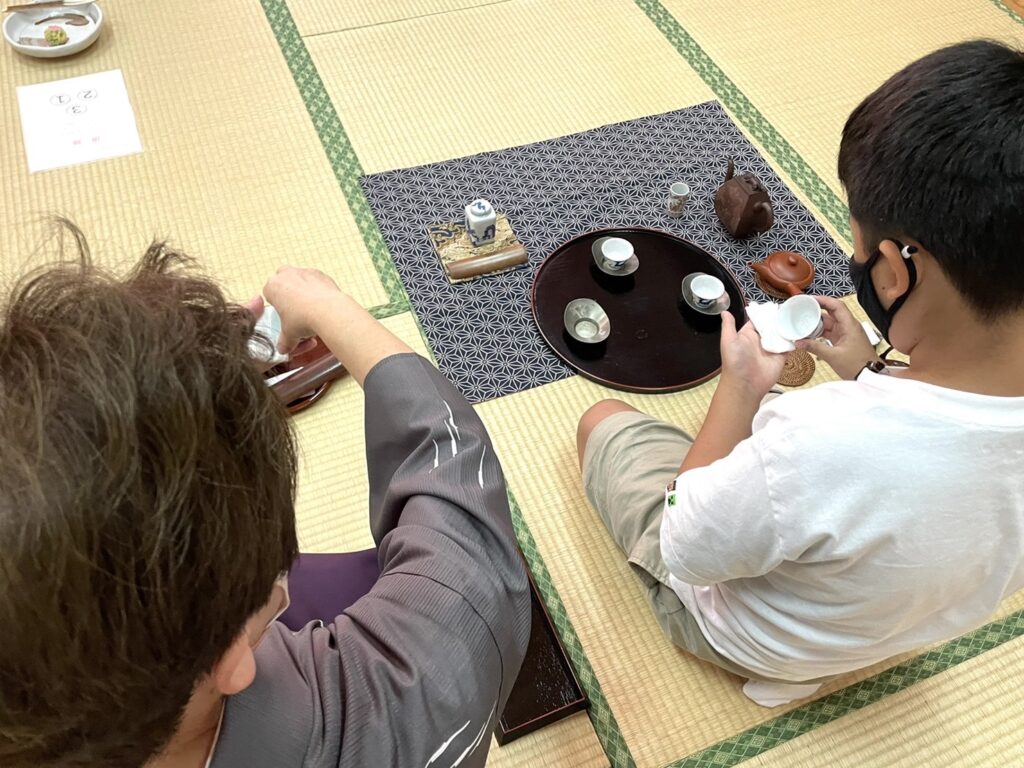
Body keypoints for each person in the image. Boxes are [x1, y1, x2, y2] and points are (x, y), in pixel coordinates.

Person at [576, 39, 1024, 703]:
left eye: (860, 249)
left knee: (602, 420)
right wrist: (868, 370)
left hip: (752, 633)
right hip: (881, 627)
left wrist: (739, 389)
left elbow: (685, 546)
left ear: (894, 273)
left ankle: (772, 659)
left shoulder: (818, 434)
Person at [0, 227, 531, 767]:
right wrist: (326, 305)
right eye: (269, 588)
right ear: (232, 658)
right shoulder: (395, 714)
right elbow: (462, 510)